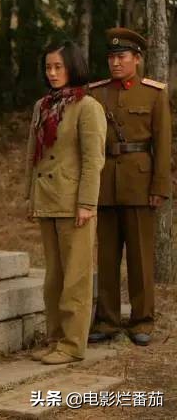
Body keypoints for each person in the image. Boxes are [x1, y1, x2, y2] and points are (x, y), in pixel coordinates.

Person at [88, 28, 172, 346]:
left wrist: (159, 186)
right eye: (111, 57)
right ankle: (107, 320)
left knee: (140, 257)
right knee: (107, 257)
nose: (115, 63)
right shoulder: (96, 94)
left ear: (137, 59)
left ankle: (142, 321)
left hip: (140, 184)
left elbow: (162, 145)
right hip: (104, 184)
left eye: (121, 57)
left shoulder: (154, 94)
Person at [25, 41, 107, 365]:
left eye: (58, 66)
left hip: (74, 203)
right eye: (48, 67)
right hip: (48, 198)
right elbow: (32, 156)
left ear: (73, 67)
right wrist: (30, 196)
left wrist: (87, 203)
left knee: (76, 278)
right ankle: (55, 338)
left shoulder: (88, 107)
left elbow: (93, 160)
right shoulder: (42, 106)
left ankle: (73, 345)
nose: (53, 72)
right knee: (53, 279)